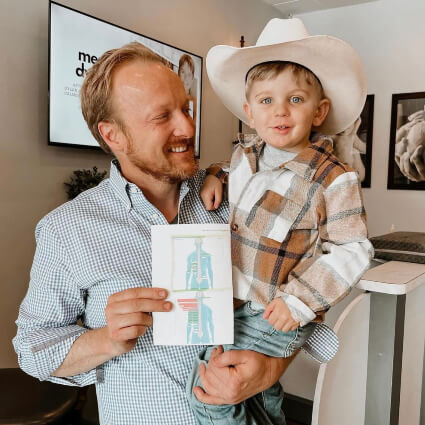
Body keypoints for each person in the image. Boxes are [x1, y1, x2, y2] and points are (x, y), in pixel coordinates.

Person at [12, 42, 298, 425]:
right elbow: (32, 349)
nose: (188, 127)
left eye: (186, 109)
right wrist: (106, 339)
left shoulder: (237, 197)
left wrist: (269, 370)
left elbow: (304, 293)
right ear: (113, 135)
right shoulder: (67, 230)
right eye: (162, 116)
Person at [186, 18, 374, 424]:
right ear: (250, 113)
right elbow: (246, 189)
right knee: (258, 395)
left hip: (276, 308)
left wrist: (299, 300)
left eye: (295, 99)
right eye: (267, 101)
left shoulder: (333, 177)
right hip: (230, 301)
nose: (281, 111)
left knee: (211, 390)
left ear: (319, 110)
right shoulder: (242, 158)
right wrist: (216, 175)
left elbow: (354, 247)